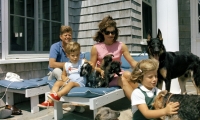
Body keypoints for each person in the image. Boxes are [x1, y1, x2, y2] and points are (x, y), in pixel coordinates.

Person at [90, 15, 138, 100]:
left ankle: (141, 100)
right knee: (122, 80)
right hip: (106, 77)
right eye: (107, 32)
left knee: (129, 75)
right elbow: (92, 66)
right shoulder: (96, 47)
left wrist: (143, 69)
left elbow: (132, 62)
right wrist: (100, 70)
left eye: (113, 32)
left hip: (118, 73)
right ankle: (139, 105)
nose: (111, 34)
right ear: (102, 32)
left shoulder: (121, 45)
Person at [38, 42, 86, 112]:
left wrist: (99, 70)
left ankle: (58, 95)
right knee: (58, 82)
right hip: (70, 81)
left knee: (71, 83)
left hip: (79, 83)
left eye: (77, 55)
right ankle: (50, 101)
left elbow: (91, 65)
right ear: (68, 55)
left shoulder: (82, 62)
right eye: (73, 55)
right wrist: (64, 78)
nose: (75, 57)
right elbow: (63, 74)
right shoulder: (66, 65)